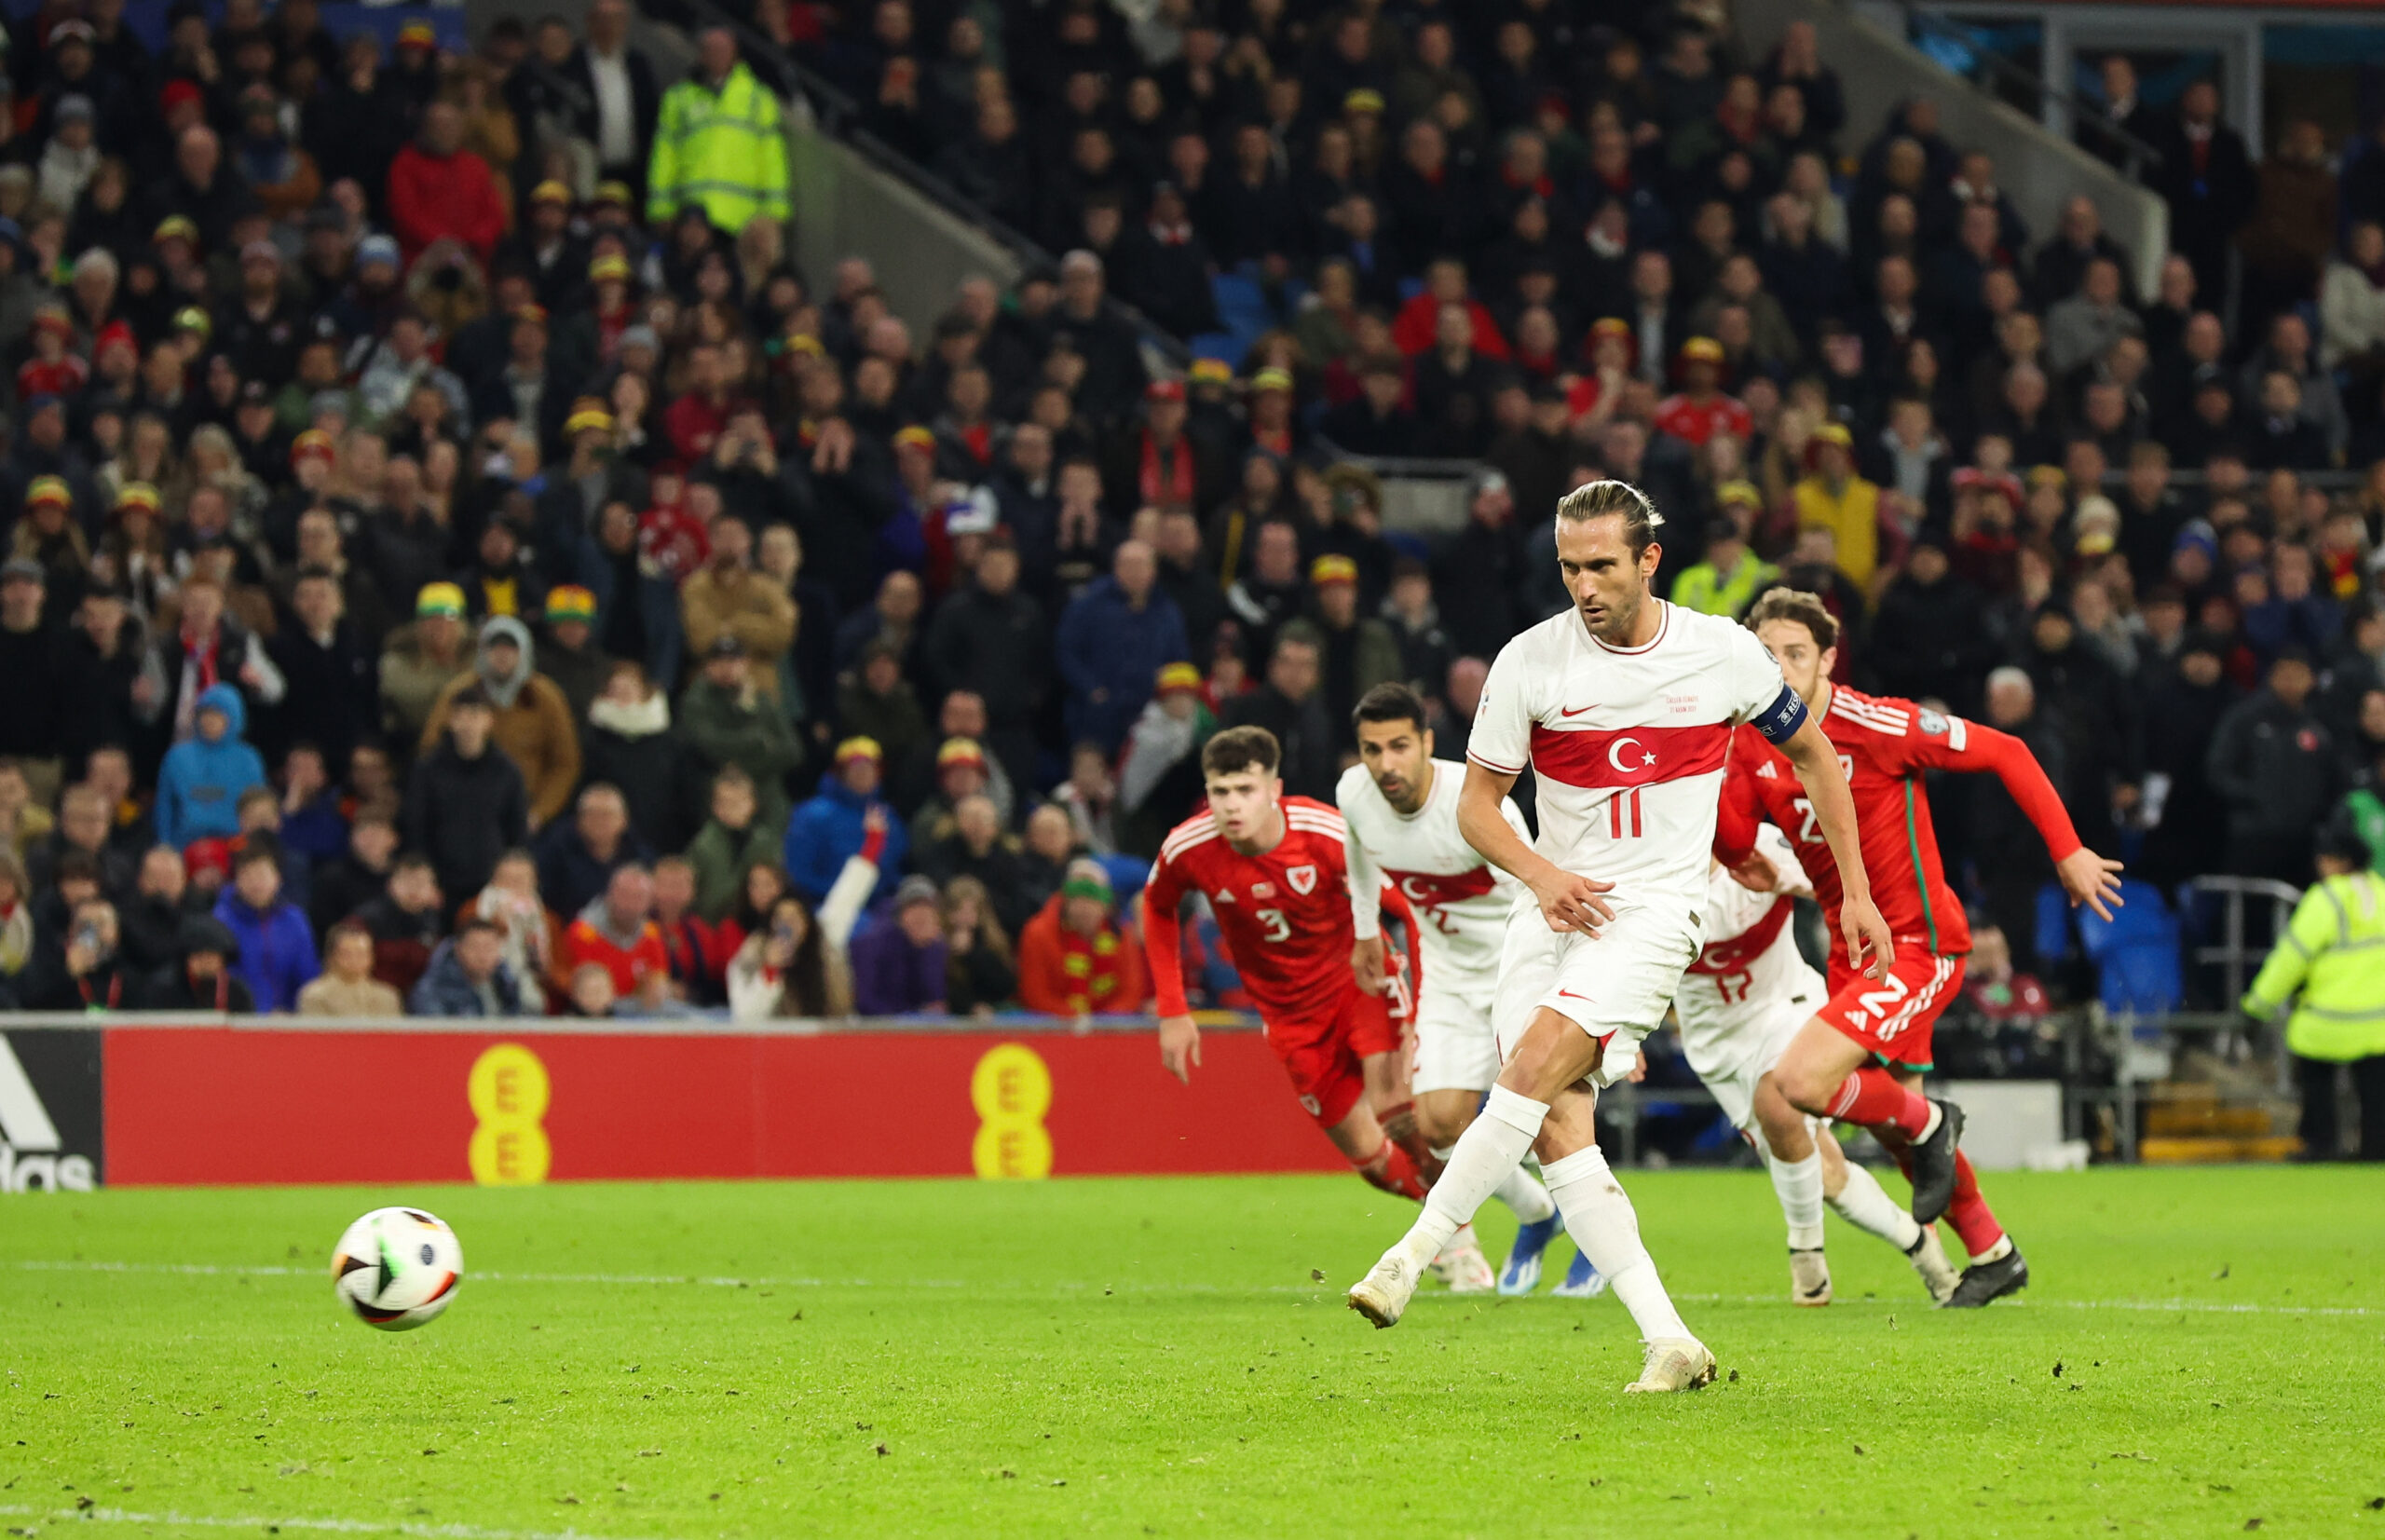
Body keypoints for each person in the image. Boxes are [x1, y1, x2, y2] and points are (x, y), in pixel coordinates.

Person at [1346, 482, 1884, 1397]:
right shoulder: (1530, 663)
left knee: (1528, 1071)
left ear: (1647, 560)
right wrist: (1543, 877)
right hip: (1548, 907)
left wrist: (1855, 894)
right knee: (1557, 1127)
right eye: (1568, 567)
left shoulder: (1722, 654)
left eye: (1601, 565)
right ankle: (1667, 1338)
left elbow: (1816, 758)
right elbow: (1478, 809)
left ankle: (1409, 1255)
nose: (1584, 585)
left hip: (1653, 913)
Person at [1717, 588, 2125, 1310]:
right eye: (1765, 654)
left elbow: (2008, 748)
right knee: (1897, 1125)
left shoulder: (1875, 722)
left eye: (1796, 654)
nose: (1778, 668)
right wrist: (1709, 757)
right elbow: (1736, 842)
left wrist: (2068, 851)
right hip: (1853, 956)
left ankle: (1935, 1122)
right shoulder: (1752, 742)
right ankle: (1994, 1252)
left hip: (1919, 942)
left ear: (1829, 660)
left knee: (1801, 1086)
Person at [1144, 727, 1444, 1249]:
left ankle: (1455, 1237)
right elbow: (1157, 906)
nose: (1232, 805)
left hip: (1360, 984)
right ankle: (1464, 1217)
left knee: (1398, 1113)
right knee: (1371, 1160)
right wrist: (1173, 1010)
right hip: (1289, 1017)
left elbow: (1410, 909)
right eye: (1220, 791)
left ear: (1275, 788)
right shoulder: (1189, 847)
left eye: (1245, 789)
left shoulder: (1326, 835)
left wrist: (1424, 1006)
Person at [1337, 684, 1563, 1295]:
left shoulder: (1477, 806)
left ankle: (1599, 1249)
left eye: (1400, 746)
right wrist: (1364, 931)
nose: (1386, 763)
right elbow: (1357, 850)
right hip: (1448, 977)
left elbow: (1540, 894)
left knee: (1551, 1117)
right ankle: (1542, 1212)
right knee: (1437, 1122)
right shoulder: (1354, 794)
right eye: (1372, 749)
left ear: (1428, 744)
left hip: (1518, 970)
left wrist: (1563, 984)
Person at [1674, 823, 1961, 1304]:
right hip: (1716, 1045)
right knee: (1826, 1172)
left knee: (1779, 1099)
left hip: (1787, 1006)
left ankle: (1806, 1256)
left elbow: (1841, 891)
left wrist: (1801, 884)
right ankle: (1920, 1244)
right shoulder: (1653, 881)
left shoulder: (1764, 847)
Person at [2241, 829, 2385, 1161]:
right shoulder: (2382, 892)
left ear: (2338, 862)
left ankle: (2321, 1144)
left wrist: (2257, 1006)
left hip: (2328, 1021)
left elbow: (2290, 959)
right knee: (2377, 1094)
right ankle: (2376, 1150)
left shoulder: (2326, 899)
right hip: (2380, 1025)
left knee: (2317, 1080)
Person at [417, 617, 582, 830]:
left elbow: (565, 763)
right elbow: (430, 749)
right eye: (495, 648)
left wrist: (539, 814)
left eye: (511, 648)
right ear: (482, 651)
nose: (502, 655)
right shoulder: (460, 691)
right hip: (465, 813)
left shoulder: (545, 696)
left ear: (524, 652)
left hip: (529, 812)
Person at [726, 807, 884, 1021]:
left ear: (807, 921)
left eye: (795, 917)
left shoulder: (825, 935)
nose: (788, 924)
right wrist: (769, 973)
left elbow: (848, 894)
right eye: (781, 918)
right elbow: (745, 1017)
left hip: (831, 1039)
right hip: (779, 1046)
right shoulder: (752, 953)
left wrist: (873, 843)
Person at [647, 27, 790, 235]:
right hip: (691, 219)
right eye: (710, 50)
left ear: (735, 54)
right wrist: (661, 209)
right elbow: (664, 156)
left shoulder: (758, 98)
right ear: (701, 55)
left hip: (742, 218)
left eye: (722, 50)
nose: (716, 56)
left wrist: (776, 212)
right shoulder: (678, 98)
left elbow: (773, 158)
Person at [403, 684, 531, 902]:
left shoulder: (507, 771)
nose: (467, 724)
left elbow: (517, 829)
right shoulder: (428, 769)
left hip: (492, 884)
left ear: (489, 721)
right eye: (459, 716)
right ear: (451, 721)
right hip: (442, 883)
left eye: (474, 715)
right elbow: (417, 827)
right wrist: (426, 879)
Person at [1015, 857, 1149, 1018]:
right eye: (1077, 899)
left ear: (1107, 905)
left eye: (1092, 899)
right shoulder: (1037, 933)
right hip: (1053, 1027)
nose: (1085, 907)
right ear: (1066, 901)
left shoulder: (1122, 935)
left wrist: (1103, 1022)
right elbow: (1035, 995)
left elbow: (1131, 992)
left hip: (1108, 1029)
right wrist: (1076, 1020)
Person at [784, 737, 907, 906]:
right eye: (856, 768)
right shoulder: (812, 815)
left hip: (879, 906)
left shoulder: (887, 816)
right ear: (841, 772)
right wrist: (842, 897)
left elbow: (895, 868)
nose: (863, 773)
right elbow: (799, 873)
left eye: (870, 768)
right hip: (825, 904)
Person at [154, 683, 266, 850]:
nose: (210, 720)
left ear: (234, 717)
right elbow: (164, 806)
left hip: (236, 847)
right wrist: (164, 844)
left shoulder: (249, 760)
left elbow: (259, 808)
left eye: (218, 714)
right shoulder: (177, 757)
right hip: (184, 846)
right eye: (205, 713)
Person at [211, 842, 318, 1013]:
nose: (255, 883)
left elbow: (307, 975)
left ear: (277, 879)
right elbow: (221, 978)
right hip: (239, 1020)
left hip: (288, 1020)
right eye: (247, 875)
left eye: (261, 875)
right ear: (237, 880)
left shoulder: (294, 920)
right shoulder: (221, 920)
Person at [559, 861, 668, 1000]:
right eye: (624, 894)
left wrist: (656, 990)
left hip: (638, 1012)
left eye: (638, 897)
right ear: (609, 894)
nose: (629, 904)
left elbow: (658, 980)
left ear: (650, 902)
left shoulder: (651, 934)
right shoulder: (584, 933)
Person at [851, 873, 952, 1015]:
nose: (921, 913)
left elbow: (935, 1000)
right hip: (878, 1027)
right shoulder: (871, 945)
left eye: (927, 907)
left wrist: (924, 950)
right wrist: (900, 1019)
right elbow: (864, 1000)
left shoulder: (935, 947)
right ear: (900, 914)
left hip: (917, 1026)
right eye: (913, 906)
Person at [409, 917, 528, 1017]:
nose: (482, 955)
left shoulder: (508, 984)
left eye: (489, 948)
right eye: (474, 947)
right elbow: (436, 1034)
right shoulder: (432, 989)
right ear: (458, 949)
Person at [142, 915, 256, 1011]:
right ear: (186, 958)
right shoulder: (165, 989)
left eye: (211, 956)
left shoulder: (237, 992)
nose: (205, 962)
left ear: (223, 959)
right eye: (199, 956)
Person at [297, 920, 405, 1015]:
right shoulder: (315, 996)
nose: (354, 960)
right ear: (331, 957)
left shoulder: (387, 997)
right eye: (347, 954)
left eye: (361, 954)